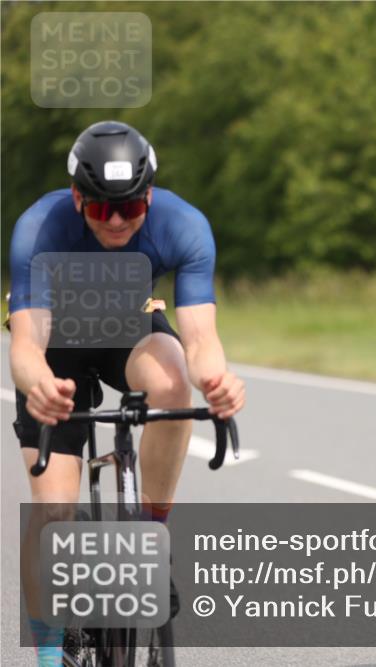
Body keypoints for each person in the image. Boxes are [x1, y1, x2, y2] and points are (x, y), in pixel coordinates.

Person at [8, 120, 246, 666]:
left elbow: (201, 337)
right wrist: (38, 385)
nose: (116, 220)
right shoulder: (40, 228)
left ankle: (153, 537)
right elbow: (25, 344)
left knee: (173, 378)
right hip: (55, 349)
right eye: (99, 209)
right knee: (52, 514)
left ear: (149, 198)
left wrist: (218, 381)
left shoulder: (182, 225)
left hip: (126, 332)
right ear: (76, 198)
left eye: (130, 208)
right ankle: (49, 653)